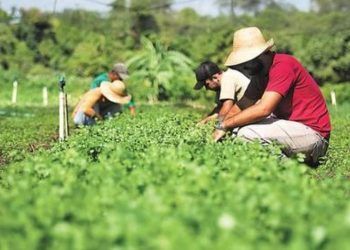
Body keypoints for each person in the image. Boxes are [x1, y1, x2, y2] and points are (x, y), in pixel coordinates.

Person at [213, 27, 331, 166]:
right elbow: (241, 105)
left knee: (247, 133)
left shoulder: (283, 65)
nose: (244, 68)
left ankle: (290, 172)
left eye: (246, 62)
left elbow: (264, 109)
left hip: (314, 136)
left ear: (261, 54)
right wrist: (219, 126)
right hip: (293, 131)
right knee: (237, 129)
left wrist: (226, 124)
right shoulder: (260, 75)